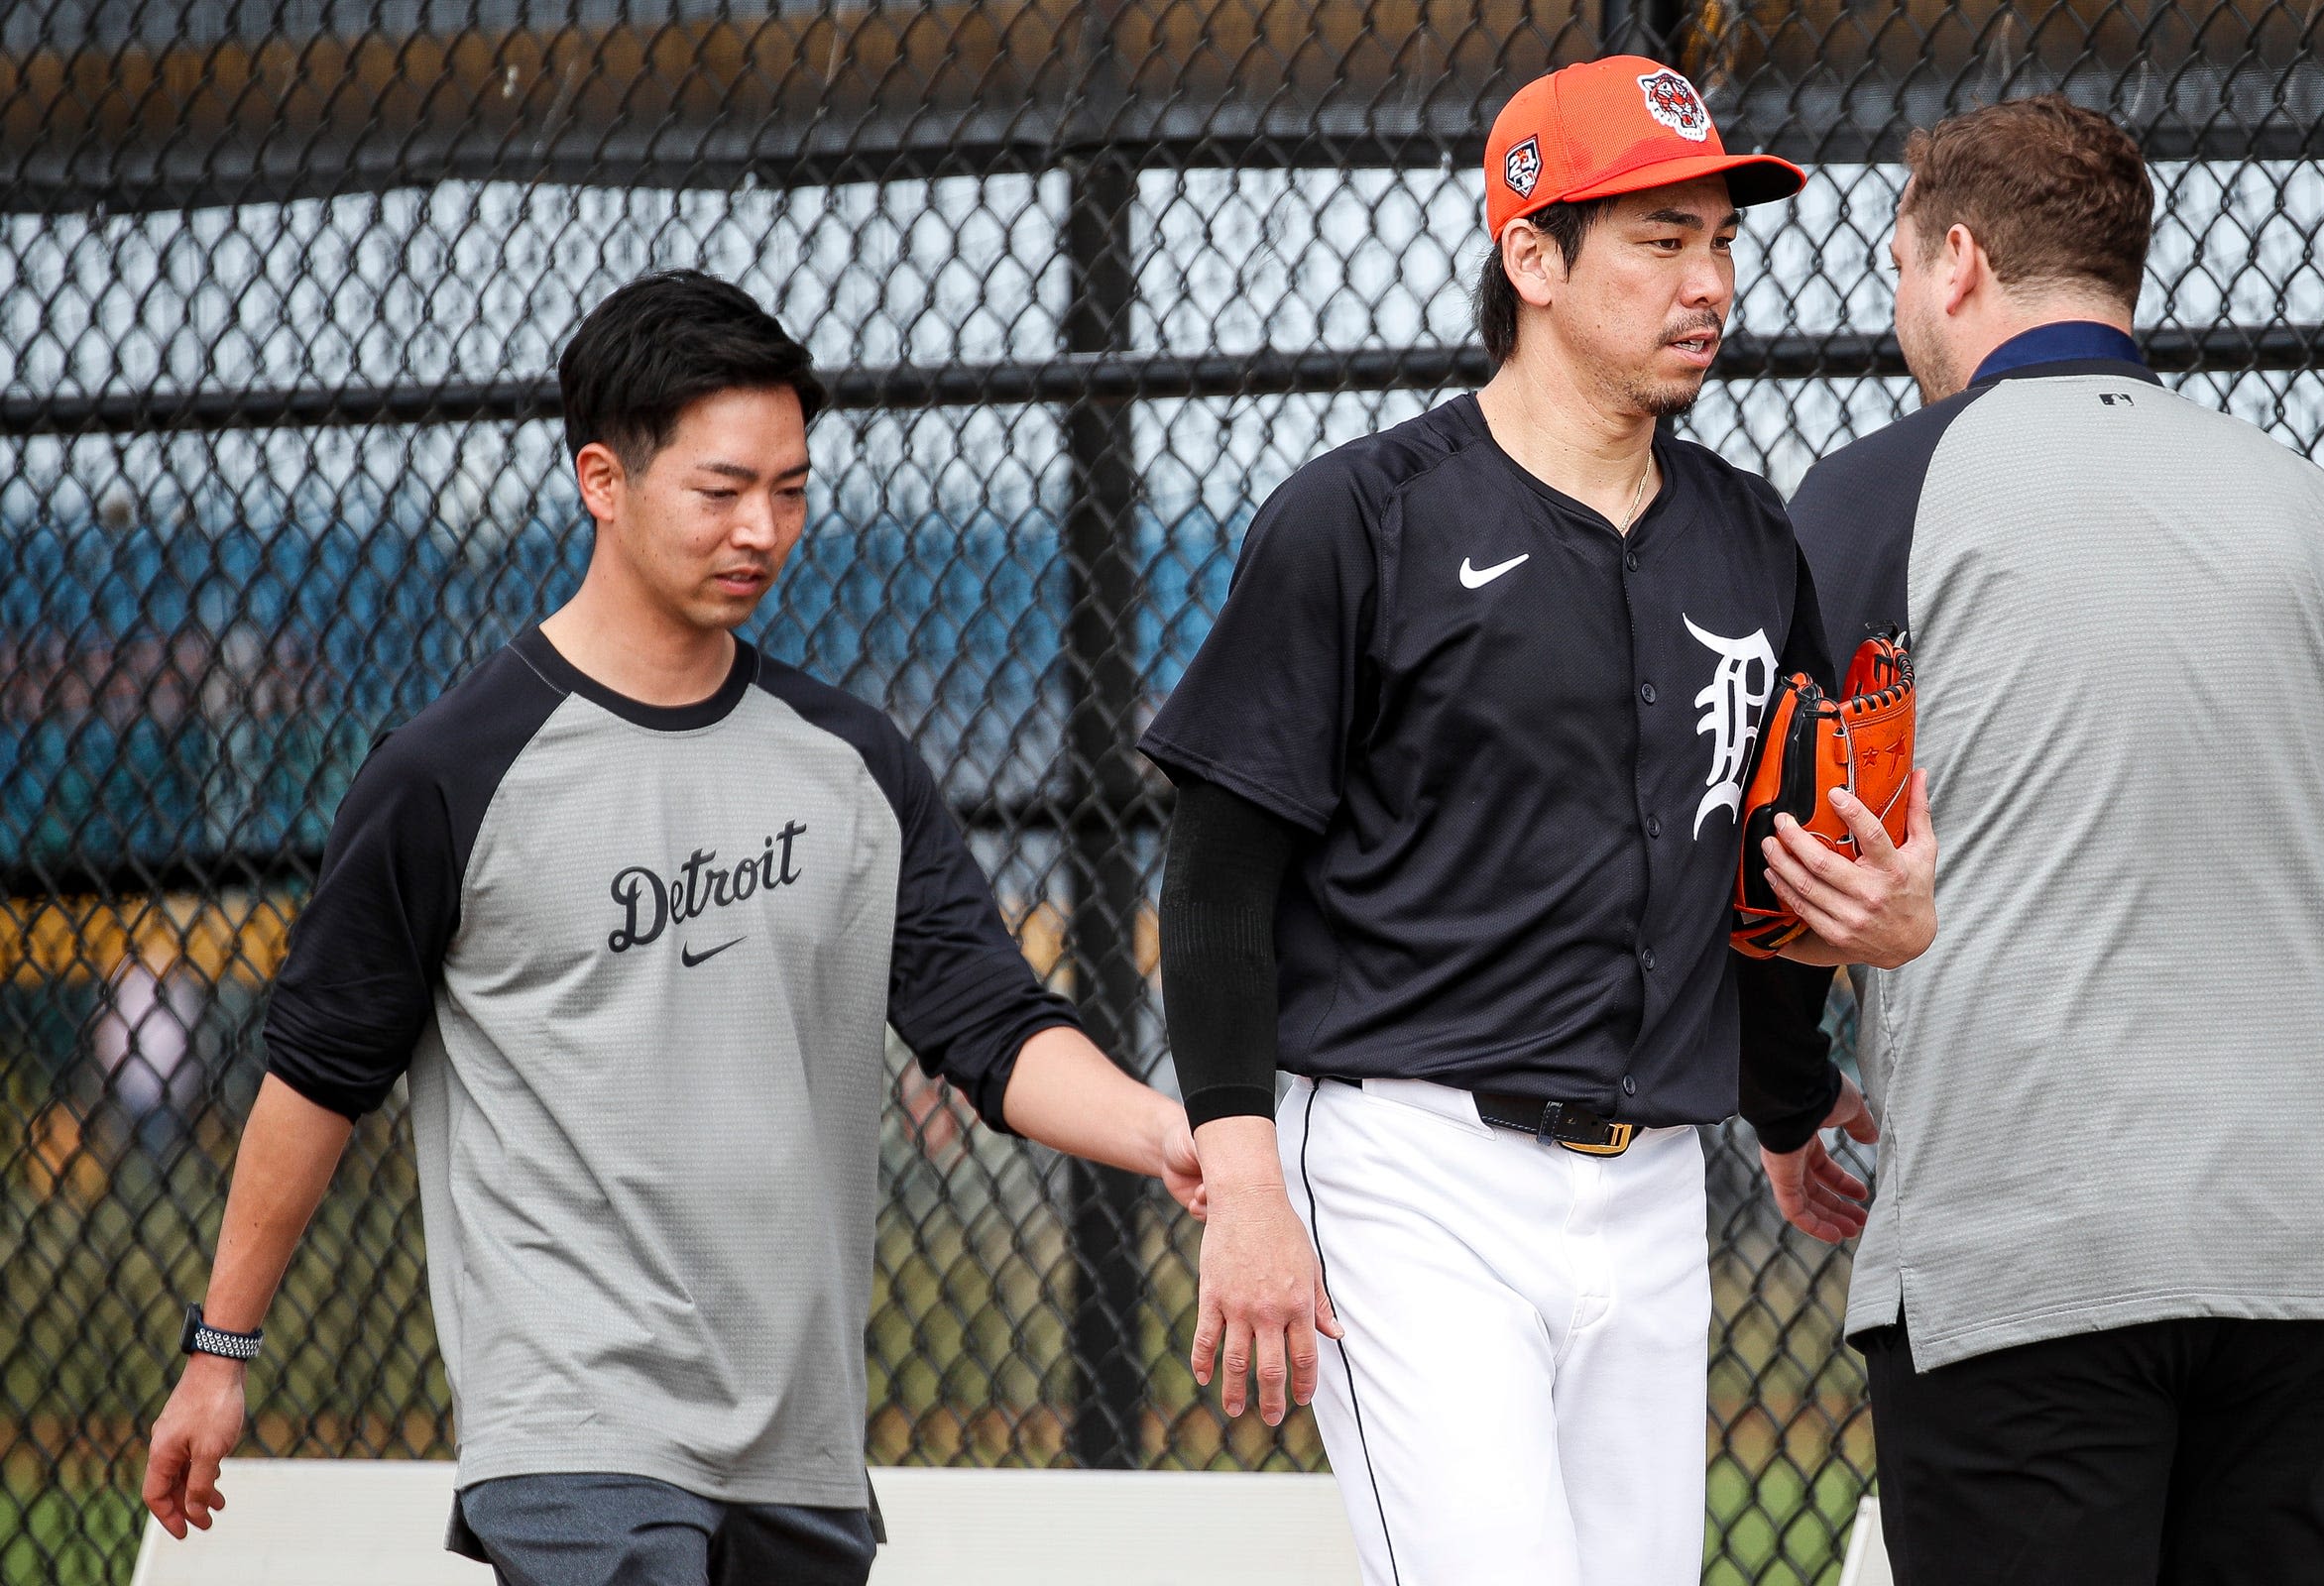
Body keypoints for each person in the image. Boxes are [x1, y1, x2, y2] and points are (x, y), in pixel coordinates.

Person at [140, 270, 1205, 1586]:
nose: (761, 527)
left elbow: (985, 1024)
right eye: (721, 490)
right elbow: (318, 1072)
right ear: (604, 480)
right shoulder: (451, 771)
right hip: (574, 1433)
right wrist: (219, 1356)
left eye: (791, 489)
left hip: (798, 1445)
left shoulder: (852, 762)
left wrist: (1161, 1131)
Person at [1140, 57, 1935, 1586]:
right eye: (1660, 240)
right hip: (1408, 1167)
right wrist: (1243, 1179)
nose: (1709, 283)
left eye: (1720, 240)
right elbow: (1220, 879)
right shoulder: (1362, 519)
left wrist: (1785, 1107)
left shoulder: (1748, 537)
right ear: (1532, 258)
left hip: (1651, 1186)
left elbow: (1771, 874)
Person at [1783, 95, 2324, 1584]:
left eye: (1903, 265)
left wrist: (1787, 1099)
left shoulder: (1887, 490)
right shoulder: (2322, 517)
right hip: (2307, 1255)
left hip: (2028, 1249)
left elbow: (1787, 838)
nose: (1904, 303)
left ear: (1959, 262)